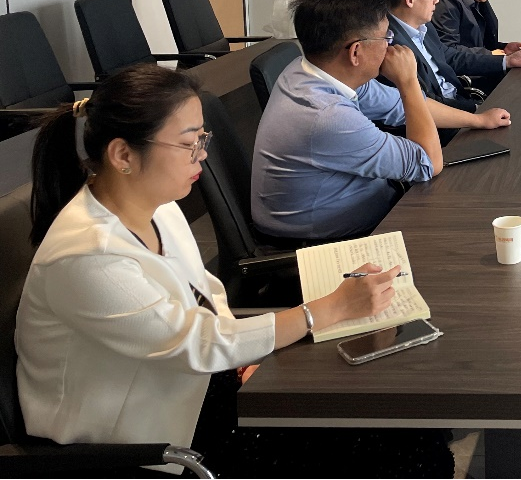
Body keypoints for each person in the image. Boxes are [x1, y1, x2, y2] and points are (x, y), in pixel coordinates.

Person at [16, 64, 454, 477]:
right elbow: (195, 343)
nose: (202, 155)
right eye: (189, 143)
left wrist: (245, 355)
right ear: (122, 154)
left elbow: (204, 296)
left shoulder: (155, 206)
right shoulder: (88, 256)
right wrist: (325, 310)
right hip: (148, 438)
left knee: (410, 426)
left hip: (194, 388)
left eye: (201, 138)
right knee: (403, 449)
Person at [252, 0, 446, 240]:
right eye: (386, 37)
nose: (391, 47)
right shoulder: (327, 116)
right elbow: (428, 163)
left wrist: (478, 119)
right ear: (356, 51)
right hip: (329, 241)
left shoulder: (307, 69)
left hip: (362, 202)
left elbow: (398, 106)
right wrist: (408, 81)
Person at [384, 0, 521, 140]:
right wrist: (475, 110)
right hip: (443, 125)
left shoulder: (425, 27)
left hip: (460, 101)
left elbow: (452, 56)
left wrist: (506, 60)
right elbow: (422, 102)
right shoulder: (390, 45)